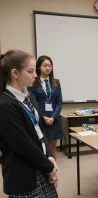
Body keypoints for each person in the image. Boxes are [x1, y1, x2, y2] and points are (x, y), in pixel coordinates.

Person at [0, 50, 58, 197]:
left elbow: (39, 130)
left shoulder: (29, 97)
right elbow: (23, 144)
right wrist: (49, 167)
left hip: (40, 163)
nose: (35, 75)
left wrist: (49, 156)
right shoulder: (6, 105)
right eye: (30, 71)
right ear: (15, 73)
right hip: (24, 174)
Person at [28, 55, 63, 158]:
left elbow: (59, 102)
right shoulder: (33, 82)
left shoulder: (56, 82)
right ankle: (43, 173)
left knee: (52, 150)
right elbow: (32, 102)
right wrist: (43, 117)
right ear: (39, 66)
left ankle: (53, 172)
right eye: (45, 65)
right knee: (41, 150)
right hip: (40, 120)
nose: (48, 68)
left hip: (54, 120)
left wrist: (53, 117)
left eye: (50, 66)